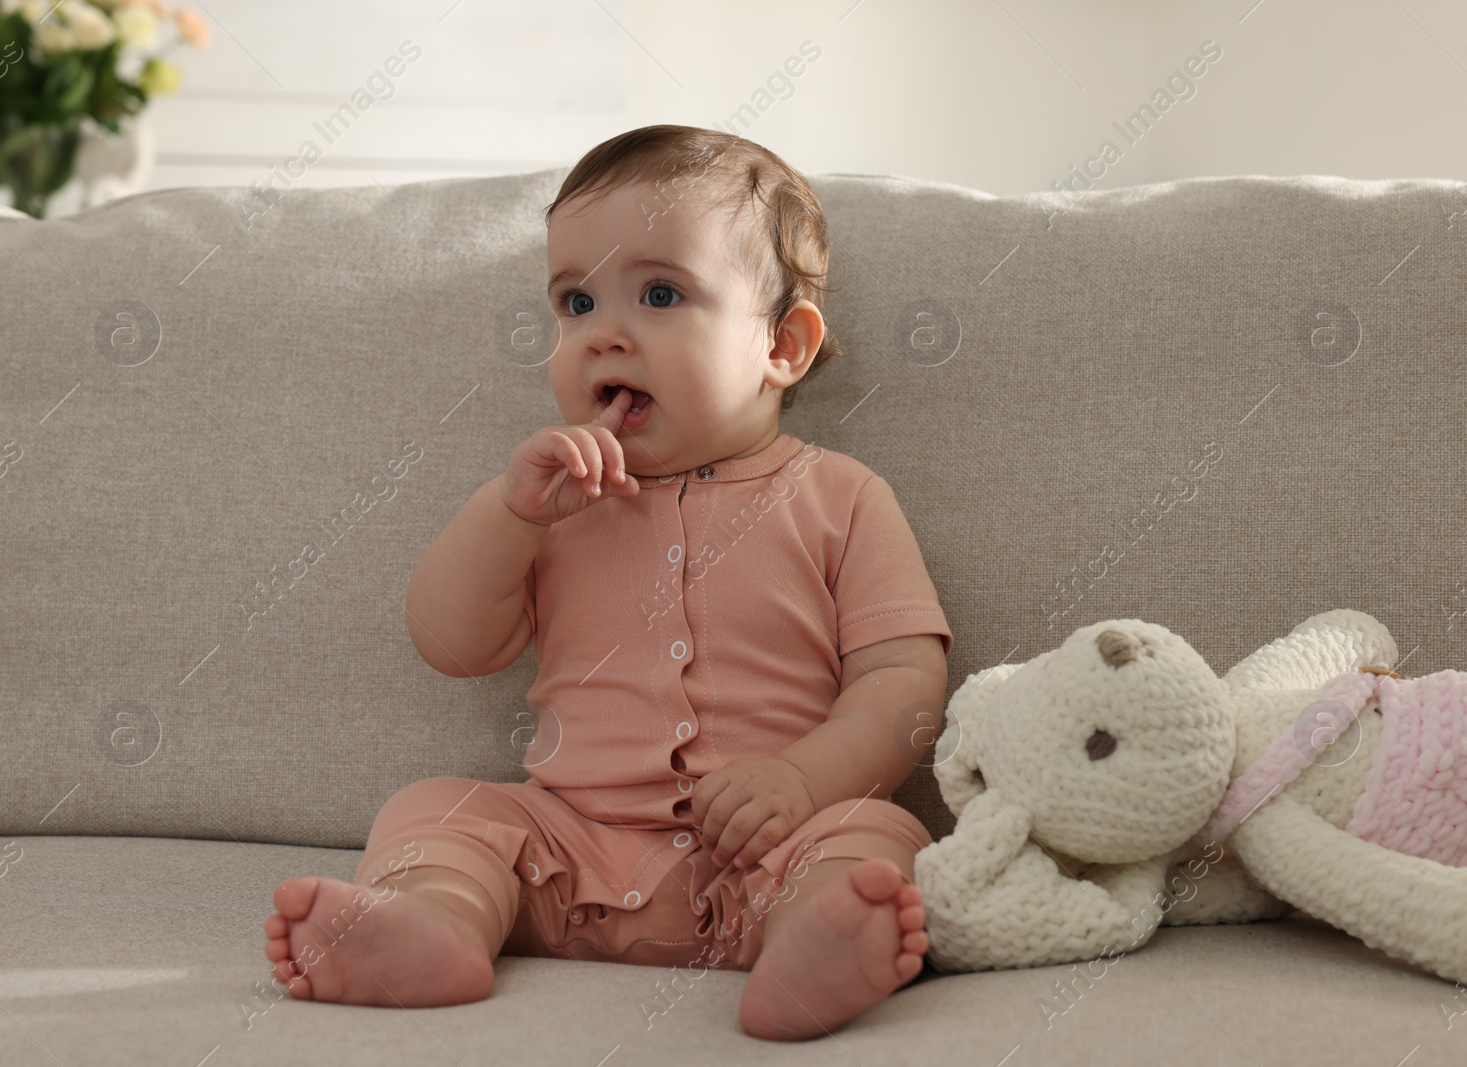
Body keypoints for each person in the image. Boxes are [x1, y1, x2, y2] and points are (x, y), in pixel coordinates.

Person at [262, 124, 953, 1042]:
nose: (603, 338)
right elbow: (452, 643)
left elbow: (904, 682)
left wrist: (803, 778)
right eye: (575, 302)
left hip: (769, 842)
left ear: (783, 345)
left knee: (881, 842)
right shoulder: (556, 502)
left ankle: (810, 942)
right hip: (567, 850)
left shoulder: (840, 497)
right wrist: (508, 515)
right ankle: (437, 924)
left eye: (660, 293)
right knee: (435, 807)